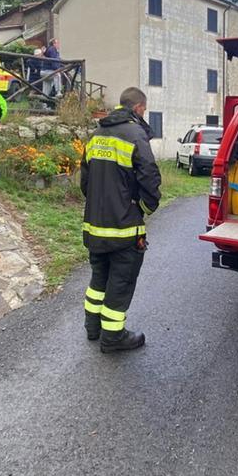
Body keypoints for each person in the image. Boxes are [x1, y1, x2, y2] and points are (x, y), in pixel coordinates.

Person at [80, 87, 161, 353]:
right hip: (124, 228)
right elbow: (148, 173)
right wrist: (148, 206)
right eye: (145, 110)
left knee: (98, 277)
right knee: (121, 280)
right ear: (138, 108)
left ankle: (93, 328)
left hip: (94, 225)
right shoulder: (135, 134)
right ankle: (113, 337)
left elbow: (85, 182)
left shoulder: (96, 135)